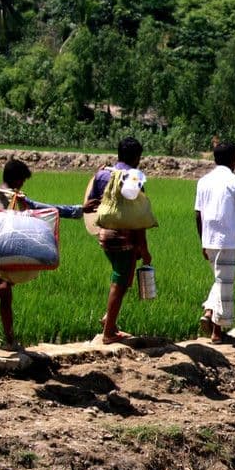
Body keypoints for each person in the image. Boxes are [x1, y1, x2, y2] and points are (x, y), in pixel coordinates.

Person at [0, 158, 96, 356]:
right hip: (6, 257)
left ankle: (10, 341)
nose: (22, 184)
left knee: (5, 297)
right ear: (17, 180)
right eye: (23, 180)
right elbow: (49, 209)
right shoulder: (18, 200)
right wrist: (80, 210)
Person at [194, 142, 235, 343]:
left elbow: (198, 214)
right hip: (226, 240)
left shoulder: (203, 181)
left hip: (209, 239)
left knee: (220, 280)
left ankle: (209, 311)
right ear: (234, 160)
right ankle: (216, 331)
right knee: (225, 285)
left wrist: (203, 242)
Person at [88, 137, 152, 344]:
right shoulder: (134, 178)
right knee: (119, 282)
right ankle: (108, 333)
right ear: (136, 157)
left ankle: (110, 320)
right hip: (125, 236)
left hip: (104, 235)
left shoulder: (102, 174)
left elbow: (91, 203)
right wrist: (144, 248)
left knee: (123, 278)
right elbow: (138, 217)